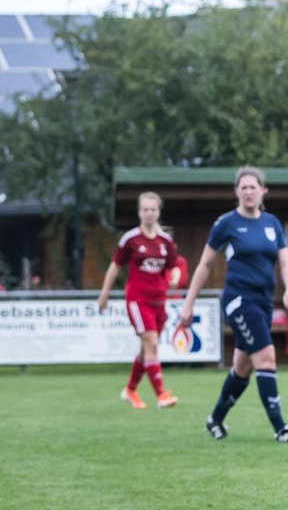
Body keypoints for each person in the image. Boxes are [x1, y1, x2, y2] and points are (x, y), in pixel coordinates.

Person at [180, 166, 288, 441]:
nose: (249, 191)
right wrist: (188, 304)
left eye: (254, 187)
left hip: (263, 303)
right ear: (236, 191)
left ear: (263, 191)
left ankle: (214, 420)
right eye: (244, 187)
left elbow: (285, 262)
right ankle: (281, 428)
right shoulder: (226, 223)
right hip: (239, 300)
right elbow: (204, 265)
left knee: (242, 366)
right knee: (266, 357)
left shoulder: (272, 224)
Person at [95, 192, 181, 409]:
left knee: (146, 350)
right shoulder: (130, 239)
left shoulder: (165, 242)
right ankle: (161, 395)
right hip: (137, 299)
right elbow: (115, 265)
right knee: (151, 343)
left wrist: (175, 277)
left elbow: (174, 265)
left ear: (158, 212)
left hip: (159, 300)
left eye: (153, 209)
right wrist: (104, 293)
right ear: (139, 212)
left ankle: (130, 390)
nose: (149, 213)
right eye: (145, 209)